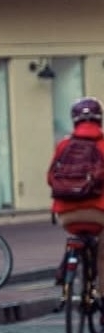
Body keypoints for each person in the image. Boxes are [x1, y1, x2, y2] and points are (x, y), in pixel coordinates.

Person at [51, 96, 104, 282]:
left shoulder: (64, 145)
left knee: (79, 233)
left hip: (66, 216)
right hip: (99, 215)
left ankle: (69, 260)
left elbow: (50, 177)